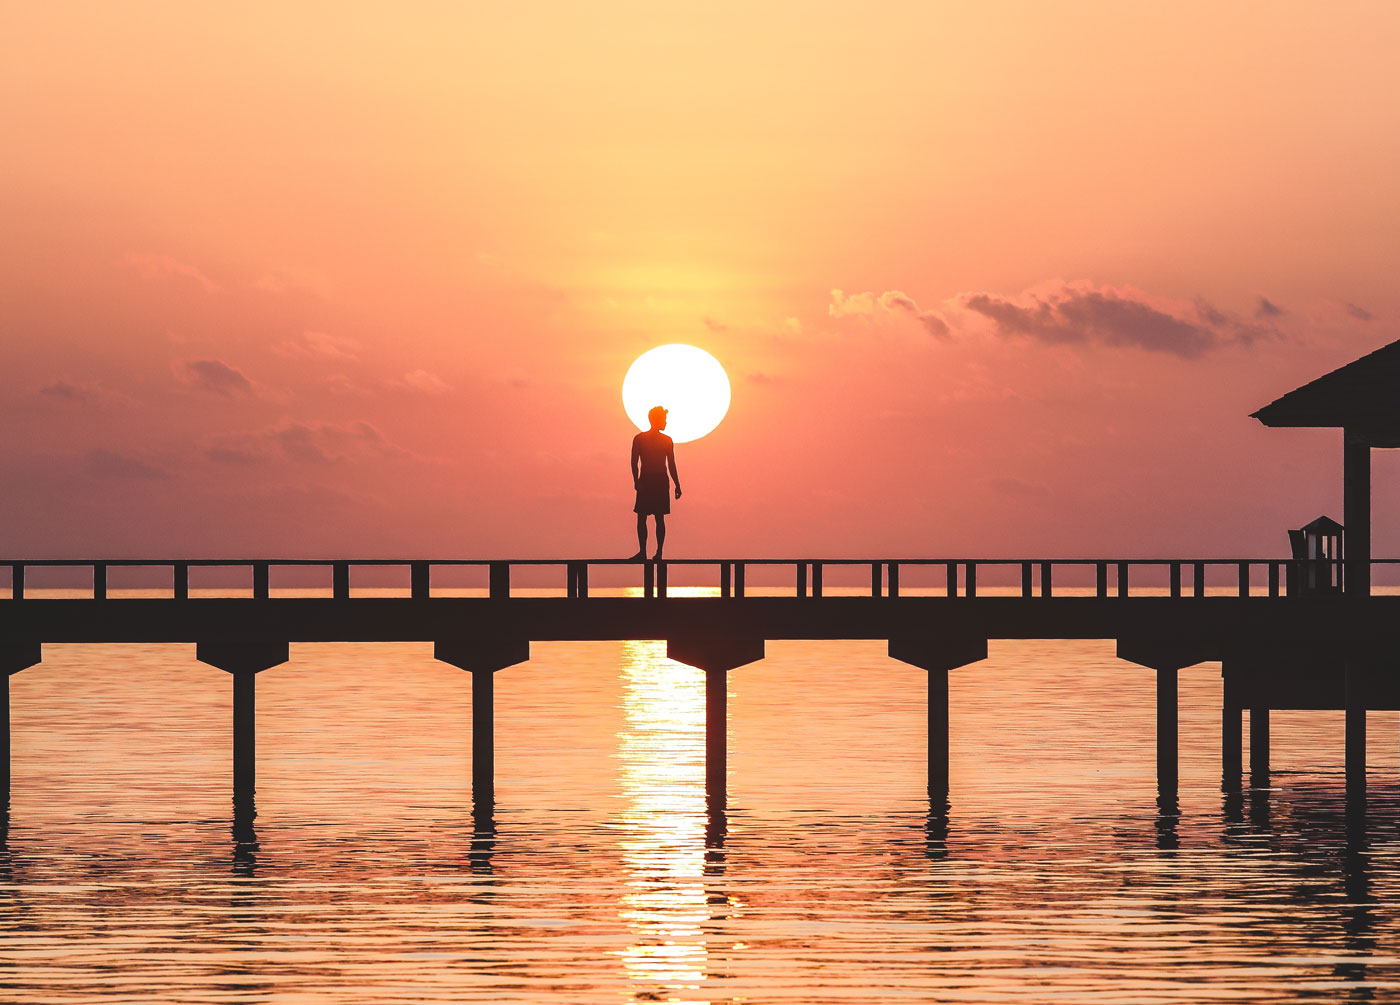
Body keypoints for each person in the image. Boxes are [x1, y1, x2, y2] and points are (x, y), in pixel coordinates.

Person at [630, 406, 681, 560]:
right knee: (642, 517)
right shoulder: (640, 439)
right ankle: (643, 552)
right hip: (647, 480)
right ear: (655, 420)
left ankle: (658, 552)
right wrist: (636, 481)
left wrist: (677, 484)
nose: (665, 422)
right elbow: (634, 462)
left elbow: (671, 464)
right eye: (663, 419)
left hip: (660, 480)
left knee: (659, 518)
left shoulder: (666, 440)